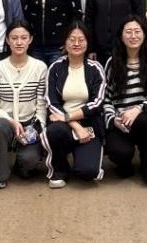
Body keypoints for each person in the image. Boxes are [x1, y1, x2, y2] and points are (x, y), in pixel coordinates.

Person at [41, 23, 107, 187]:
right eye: (72, 39)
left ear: (87, 42)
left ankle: (82, 160)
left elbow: (97, 103)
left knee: (87, 172)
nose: (76, 44)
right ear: (65, 42)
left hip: (89, 125)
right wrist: (73, 123)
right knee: (55, 130)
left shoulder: (95, 68)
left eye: (81, 40)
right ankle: (60, 169)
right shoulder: (55, 68)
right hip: (62, 124)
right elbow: (51, 102)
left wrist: (71, 118)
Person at [0, 21, 49, 188]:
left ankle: (20, 164)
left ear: (30, 39)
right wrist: (12, 122)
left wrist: (36, 127)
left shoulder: (40, 67)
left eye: (23, 38)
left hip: (30, 124)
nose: (19, 42)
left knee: (28, 163)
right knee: (0, 128)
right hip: (6, 123)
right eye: (14, 38)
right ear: (7, 40)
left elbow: (41, 105)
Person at [103, 15, 147, 185]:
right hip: (120, 122)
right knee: (120, 153)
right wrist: (113, 120)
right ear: (121, 36)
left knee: (146, 122)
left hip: (144, 120)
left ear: (144, 34)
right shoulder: (112, 63)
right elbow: (106, 99)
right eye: (128, 32)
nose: (133, 36)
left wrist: (138, 109)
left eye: (137, 31)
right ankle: (125, 163)